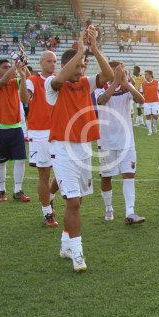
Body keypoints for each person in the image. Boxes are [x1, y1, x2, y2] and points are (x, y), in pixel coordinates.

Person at [46, 26, 114, 272]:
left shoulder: (86, 83)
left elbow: (108, 75)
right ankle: (77, 252)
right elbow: (59, 79)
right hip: (62, 148)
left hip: (84, 147)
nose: (82, 69)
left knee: (78, 201)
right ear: (68, 65)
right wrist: (79, 51)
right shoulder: (53, 85)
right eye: (78, 65)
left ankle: (65, 244)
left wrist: (93, 49)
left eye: (84, 65)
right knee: (73, 201)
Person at [95, 61, 146, 224]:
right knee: (106, 177)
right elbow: (101, 101)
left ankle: (130, 212)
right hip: (106, 140)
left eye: (122, 71)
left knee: (129, 175)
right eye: (118, 71)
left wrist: (126, 84)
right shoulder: (98, 86)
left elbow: (141, 100)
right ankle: (109, 207)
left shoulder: (127, 87)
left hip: (127, 141)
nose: (122, 73)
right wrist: (115, 82)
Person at [0, 57, 32, 202]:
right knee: (1, 162)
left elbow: (28, 81)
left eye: (9, 66)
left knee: (20, 160)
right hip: (0, 129)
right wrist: (15, 66)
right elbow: (1, 82)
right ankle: (2, 190)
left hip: (16, 128)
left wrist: (23, 66)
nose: (8, 69)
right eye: (4, 67)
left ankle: (18, 190)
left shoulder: (15, 82)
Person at [26, 51, 60, 227]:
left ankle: (50, 197)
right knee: (44, 174)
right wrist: (21, 78)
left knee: (62, 173)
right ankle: (47, 212)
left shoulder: (59, 79)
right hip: (39, 132)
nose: (52, 64)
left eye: (54, 61)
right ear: (41, 62)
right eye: (49, 61)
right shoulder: (32, 80)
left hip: (59, 130)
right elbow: (25, 98)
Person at [140, 70, 159, 135]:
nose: (145, 76)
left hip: (155, 102)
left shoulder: (156, 82)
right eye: (145, 74)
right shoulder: (143, 84)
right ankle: (150, 130)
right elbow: (141, 93)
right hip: (146, 102)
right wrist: (141, 103)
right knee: (147, 116)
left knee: (155, 116)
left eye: (146, 74)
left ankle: (154, 126)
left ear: (150, 75)